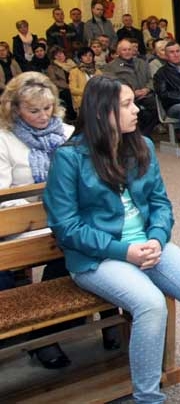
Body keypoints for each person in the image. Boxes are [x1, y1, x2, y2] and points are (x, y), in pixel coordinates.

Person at [42, 76, 180, 404]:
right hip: (98, 256)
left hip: (148, 245)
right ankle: (149, 399)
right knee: (151, 304)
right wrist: (125, 251)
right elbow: (67, 227)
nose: (136, 110)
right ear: (101, 112)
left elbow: (160, 203)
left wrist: (157, 238)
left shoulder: (141, 146)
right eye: (126, 105)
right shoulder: (69, 158)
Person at [0, 72, 76, 369]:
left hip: (64, 219)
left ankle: (46, 331)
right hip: (22, 223)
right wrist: (44, 209)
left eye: (47, 108)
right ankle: (32, 329)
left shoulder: (68, 133)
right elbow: (3, 194)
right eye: (33, 110)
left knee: (77, 245)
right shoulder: (4, 139)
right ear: (15, 109)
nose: (43, 116)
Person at [103, 39, 158, 137]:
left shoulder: (142, 62)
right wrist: (132, 92)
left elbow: (151, 79)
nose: (127, 52)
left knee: (158, 108)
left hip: (146, 95)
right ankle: (136, 136)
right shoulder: (111, 67)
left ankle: (143, 135)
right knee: (137, 112)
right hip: (126, 98)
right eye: (124, 50)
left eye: (129, 49)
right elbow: (113, 84)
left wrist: (147, 89)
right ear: (118, 51)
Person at [46, 46, 78, 121]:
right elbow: (54, 81)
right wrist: (68, 86)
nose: (59, 56)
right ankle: (72, 117)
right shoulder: (52, 67)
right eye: (56, 55)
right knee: (67, 94)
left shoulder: (72, 63)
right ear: (53, 57)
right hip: (63, 89)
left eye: (61, 53)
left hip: (75, 85)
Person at [69, 46, 102, 111]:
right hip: (82, 102)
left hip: (98, 101)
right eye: (85, 55)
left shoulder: (98, 72)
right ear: (80, 58)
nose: (88, 57)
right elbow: (73, 90)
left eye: (90, 55)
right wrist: (89, 92)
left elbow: (102, 87)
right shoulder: (74, 72)